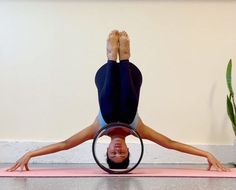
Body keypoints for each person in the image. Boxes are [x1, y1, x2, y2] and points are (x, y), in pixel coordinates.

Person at [7, 30, 229, 172]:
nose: (117, 150)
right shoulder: (137, 130)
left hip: (105, 79)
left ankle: (112, 58)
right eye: (122, 154)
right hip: (131, 79)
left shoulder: (98, 129)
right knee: (125, 110)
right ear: (129, 150)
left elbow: (65, 144)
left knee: (110, 110)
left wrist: (30, 154)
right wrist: (206, 154)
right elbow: (170, 143)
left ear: (106, 152)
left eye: (113, 154)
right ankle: (124, 58)